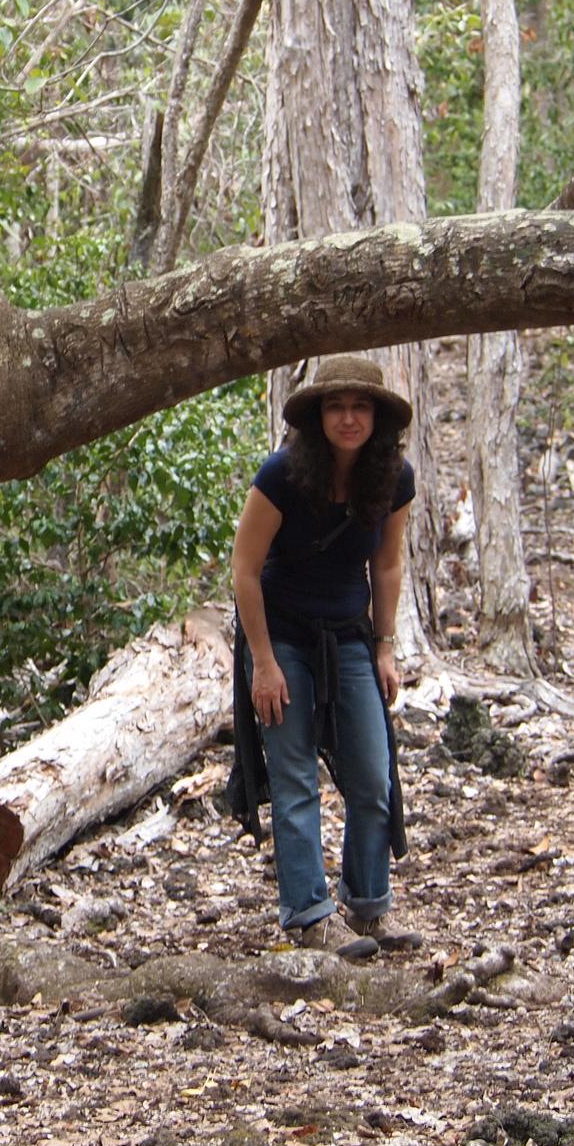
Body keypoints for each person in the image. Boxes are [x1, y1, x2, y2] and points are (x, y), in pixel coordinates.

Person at [229, 353, 420, 957]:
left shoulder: (394, 477)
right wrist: (263, 662)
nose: (347, 418)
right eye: (336, 406)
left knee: (372, 776)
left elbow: (386, 563)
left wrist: (385, 646)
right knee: (295, 778)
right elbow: (244, 570)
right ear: (318, 416)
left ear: (377, 417)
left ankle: (366, 909)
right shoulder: (283, 474)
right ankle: (310, 917)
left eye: (359, 406)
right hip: (282, 638)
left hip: (350, 637)